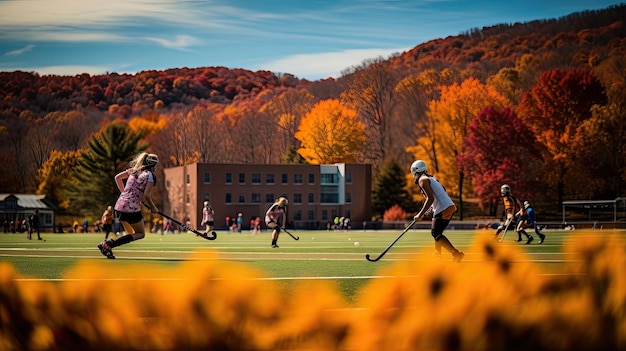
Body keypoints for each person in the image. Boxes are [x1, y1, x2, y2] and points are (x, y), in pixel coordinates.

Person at [97, 152, 159, 259]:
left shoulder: (134, 171)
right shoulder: (149, 175)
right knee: (140, 233)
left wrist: (125, 193)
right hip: (130, 209)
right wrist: (153, 208)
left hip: (119, 206)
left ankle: (107, 243)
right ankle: (107, 245)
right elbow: (147, 195)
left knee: (129, 232)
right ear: (153, 165)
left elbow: (117, 178)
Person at [411, 160, 464, 262]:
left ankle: (456, 254)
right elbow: (440, 192)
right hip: (448, 207)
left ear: (416, 171)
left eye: (413, 172)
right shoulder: (432, 178)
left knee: (436, 233)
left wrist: (420, 214)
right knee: (437, 233)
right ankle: (437, 254)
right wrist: (430, 209)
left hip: (444, 208)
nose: (413, 175)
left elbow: (430, 198)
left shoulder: (422, 180)